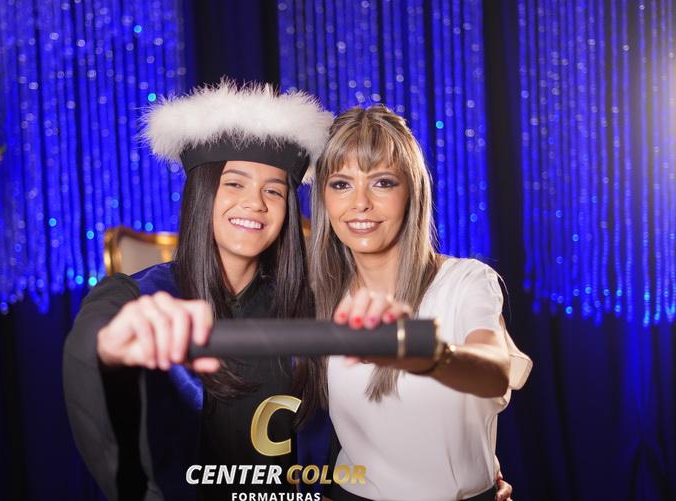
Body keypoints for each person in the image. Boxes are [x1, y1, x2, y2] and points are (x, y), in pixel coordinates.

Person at [62, 81, 332, 500]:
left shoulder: (310, 309)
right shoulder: (138, 296)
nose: (256, 203)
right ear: (203, 192)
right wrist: (109, 350)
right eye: (235, 183)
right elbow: (96, 339)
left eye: (274, 191)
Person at [306, 105, 532, 501]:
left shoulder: (466, 282)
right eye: (341, 184)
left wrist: (429, 354)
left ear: (412, 191)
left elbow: (495, 371)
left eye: (382, 182)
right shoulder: (320, 293)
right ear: (323, 197)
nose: (360, 203)